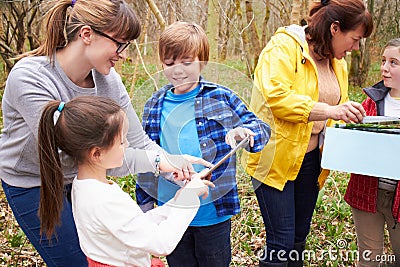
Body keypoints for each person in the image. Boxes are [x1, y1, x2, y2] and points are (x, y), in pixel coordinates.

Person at [0, 1, 210, 266]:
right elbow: (79, 156)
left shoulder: (107, 80)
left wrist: (174, 166)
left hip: (82, 180)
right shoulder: (31, 78)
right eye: (119, 43)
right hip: (34, 182)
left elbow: (137, 142)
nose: (122, 54)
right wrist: (158, 163)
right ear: (86, 34)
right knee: (75, 261)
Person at [243, 0, 373, 266]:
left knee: (298, 239)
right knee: (280, 243)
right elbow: (276, 98)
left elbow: (336, 110)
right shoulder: (284, 47)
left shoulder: (339, 64)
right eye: (355, 39)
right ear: (335, 28)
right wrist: (330, 111)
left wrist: (351, 124)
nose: (356, 48)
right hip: (274, 159)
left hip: (312, 161)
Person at [135, 21, 271, 267]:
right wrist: (144, 206)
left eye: (187, 62)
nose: (178, 70)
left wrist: (245, 132)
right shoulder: (154, 105)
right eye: (169, 63)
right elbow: (145, 158)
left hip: (211, 214)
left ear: (203, 61)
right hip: (171, 212)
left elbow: (261, 128)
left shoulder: (221, 97)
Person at [37, 95, 215, 267]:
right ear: (96, 153)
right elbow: (161, 243)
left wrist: (179, 200)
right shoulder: (102, 199)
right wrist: (189, 198)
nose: (128, 146)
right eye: (121, 142)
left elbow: (135, 225)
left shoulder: (85, 186)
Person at [344, 39, 400, 267]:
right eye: (384, 61)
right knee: (369, 259)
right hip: (367, 192)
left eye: (394, 62)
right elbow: (354, 145)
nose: (384, 68)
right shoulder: (370, 102)